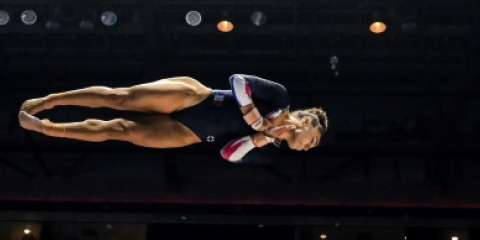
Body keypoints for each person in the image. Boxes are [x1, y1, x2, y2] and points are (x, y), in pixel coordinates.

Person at [18, 74, 328, 163]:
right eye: (312, 140)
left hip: (190, 132)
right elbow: (238, 81)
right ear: (306, 122)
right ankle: (51, 100)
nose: (308, 147)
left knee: (120, 129)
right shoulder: (279, 98)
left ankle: (49, 128)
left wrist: (261, 137)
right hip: (198, 97)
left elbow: (228, 153)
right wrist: (254, 115)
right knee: (120, 98)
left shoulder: (270, 151)